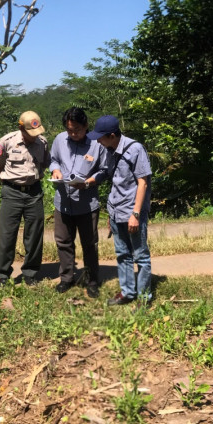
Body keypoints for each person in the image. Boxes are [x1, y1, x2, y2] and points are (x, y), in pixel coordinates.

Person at [87, 115, 153, 305]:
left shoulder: (135, 149)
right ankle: (127, 292)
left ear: (113, 135)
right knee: (122, 254)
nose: (98, 140)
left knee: (140, 255)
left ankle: (143, 297)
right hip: (116, 211)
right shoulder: (109, 149)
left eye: (101, 137)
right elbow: (111, 177)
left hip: (132, 212)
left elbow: (143, 183)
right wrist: (111, 213)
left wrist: (135, 214)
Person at [49, 107, 107, 298]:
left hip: (86, 203)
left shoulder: (97, 144)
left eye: (78, 130)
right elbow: (54, 159)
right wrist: (55, 170)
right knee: (64, 241)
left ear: (86, 126)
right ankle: (66, 278)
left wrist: (91, 181)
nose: (74, 134)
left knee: (89, 243)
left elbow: (104, 169)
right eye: (70, 131)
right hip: (63, 202)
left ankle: (91, 280)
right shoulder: (59, 140)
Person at [0, 110, 49, 287]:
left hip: (34, 192)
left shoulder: (42, 143)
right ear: (20, 128)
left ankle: (30, 273)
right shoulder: (7, 141)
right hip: (12, 192)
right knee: (7, 235)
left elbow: (45, 163)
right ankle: (3, 274)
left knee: (34, 236)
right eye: (30, 133)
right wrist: (10, 183)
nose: (34, 137)